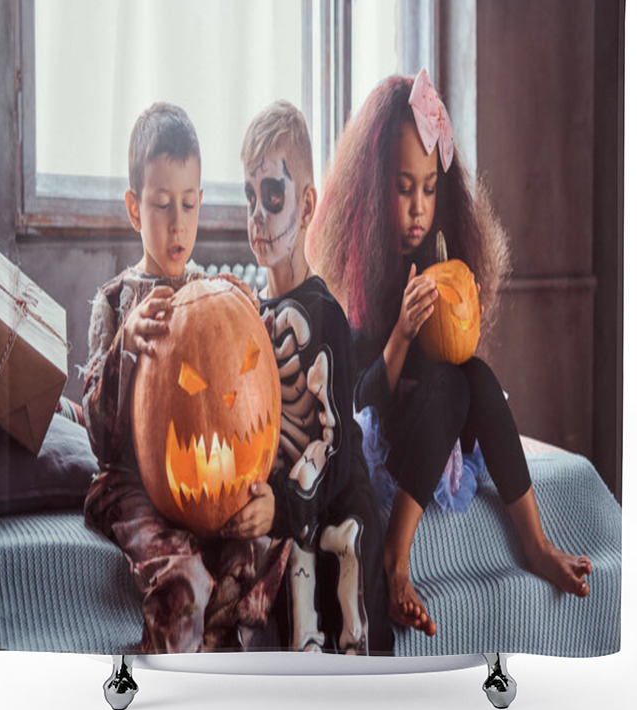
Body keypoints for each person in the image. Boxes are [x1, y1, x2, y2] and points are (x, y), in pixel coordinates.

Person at [308, 70, 592, 638]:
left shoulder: (439, 249)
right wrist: (402, 337)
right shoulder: (355, 276)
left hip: (440, 425)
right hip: (388, 430)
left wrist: (463, 308)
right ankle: (396, 558)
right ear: (374, 189)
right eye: (403, 187)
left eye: (429, 189)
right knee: (447, 386)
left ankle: (534, 542)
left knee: (475, 378)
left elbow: (457, 358)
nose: (418, 207)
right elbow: (359, 402)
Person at [83, 102, 290, 654]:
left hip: (202, 486)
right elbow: (101, 441)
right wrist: (126, 344)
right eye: (161, 205)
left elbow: (247, 395)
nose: (178, 223)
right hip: (133, 486)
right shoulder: (114, 305)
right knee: (182, 579)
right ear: (134, 209)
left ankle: (223, 682)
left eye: (189, 204)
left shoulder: (218, 291)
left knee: (249, 558)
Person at [241, 100, 393, 654]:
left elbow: (332, 441)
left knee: (348, 602)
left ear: (305, 205)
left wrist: (283, 506)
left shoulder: (324, 312)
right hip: (283, 498)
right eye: (250, 197)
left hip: (335, 499)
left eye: (272, 196)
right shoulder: (253, 314)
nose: (258, 214)